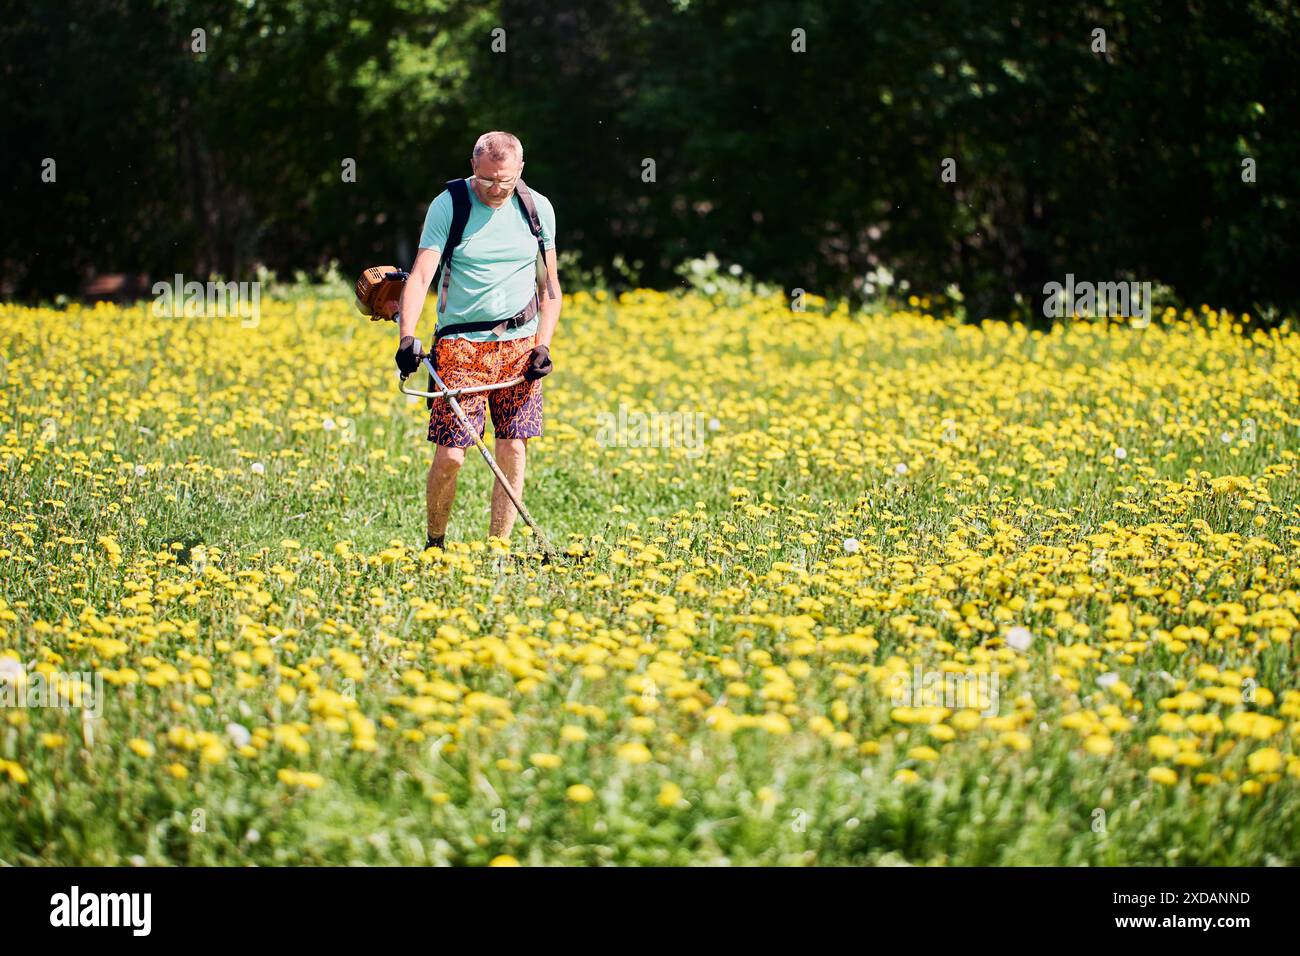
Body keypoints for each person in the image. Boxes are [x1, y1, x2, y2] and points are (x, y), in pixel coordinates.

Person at [393, 131, 560, 551]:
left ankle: (497, 550)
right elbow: (421, 275)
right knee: (451, 455)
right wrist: (407, 336)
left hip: (518, 345)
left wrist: (544, 343)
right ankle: (435, 543)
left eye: (504, 181)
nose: (495, 190)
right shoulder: (450, 204)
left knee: (513, 449)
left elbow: (551, 288)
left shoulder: (537, 208)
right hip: (460, 346)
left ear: (520, 170)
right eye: (486, 180)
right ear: (474, 168)